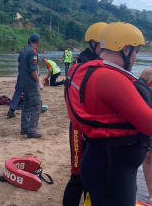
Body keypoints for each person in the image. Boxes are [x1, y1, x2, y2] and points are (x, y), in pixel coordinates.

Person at [64, 22, 152, 206]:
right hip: (112, 172)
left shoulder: (90, 70)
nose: (136, 57)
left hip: (104, 163)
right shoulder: (108, 77)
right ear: (125, 49)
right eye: (136, 52)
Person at [62, 22, 108, 206]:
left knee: (93, 174)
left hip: (93, 126)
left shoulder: (98, 62)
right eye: (103, 45)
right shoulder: (83, 64)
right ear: (94, 44)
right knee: (78, 176)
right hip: (80, 128)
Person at [19, 33, 43, 138]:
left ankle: (24, 127)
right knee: (37, 105)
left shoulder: (23, 51)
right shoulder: (33, 52)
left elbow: (19, 65)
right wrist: (39, 81)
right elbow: (33, 70)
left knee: (26, 105)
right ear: (38, 42)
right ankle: (32, 130)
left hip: (23, 81)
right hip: (31, 83)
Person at [140, 68, 152, 204]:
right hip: (148, 121)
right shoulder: (148, 73)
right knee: (148, 157)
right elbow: (137, 94)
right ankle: (151, 194)